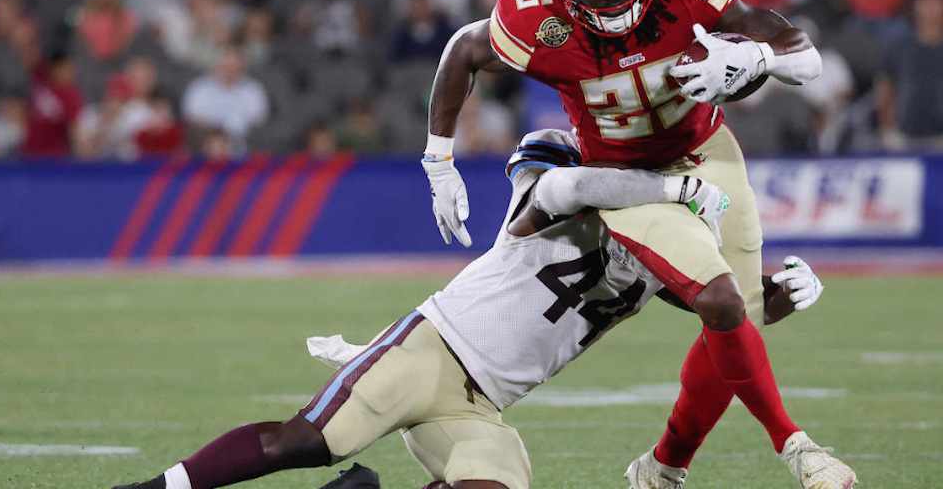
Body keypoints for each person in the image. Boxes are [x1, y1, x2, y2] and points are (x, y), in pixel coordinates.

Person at [110, 129, 842, 489]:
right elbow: (560, 192)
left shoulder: (650, 248)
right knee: (306, 442)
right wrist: (664, 191)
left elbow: (723, 315)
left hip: (480, 406)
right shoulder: (551, 202)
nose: (523, 175)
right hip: (426, 352)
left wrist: (777, 297)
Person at [419, 0, 838, 488]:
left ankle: (663, 468)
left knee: (741, 317)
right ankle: (795, 446)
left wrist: (758, 60)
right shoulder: (535, 17)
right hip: (626, 179)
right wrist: (439, 160)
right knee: (722, 305)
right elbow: (464, 49)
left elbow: (808, 57)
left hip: (708, 151)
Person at [875, 0, 943, 151]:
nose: (929, 8)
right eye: (924, 2)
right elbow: (885, 88)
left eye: (934, 2)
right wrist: (888, 129)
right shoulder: (899, 48)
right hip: (905, 138)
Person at [181, 45, 268, 156]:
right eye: (227, 63)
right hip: (206, 148)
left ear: (244, 65)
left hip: (244, 148)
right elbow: (192, 120)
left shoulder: (254, 89)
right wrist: (217, 139)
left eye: (235, 64)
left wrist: (230, 142)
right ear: (217, 63)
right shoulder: (199, 87)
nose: (231, 68)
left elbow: (258, 123)